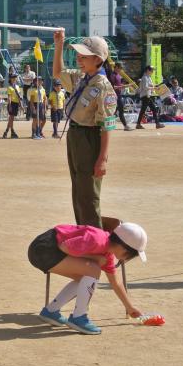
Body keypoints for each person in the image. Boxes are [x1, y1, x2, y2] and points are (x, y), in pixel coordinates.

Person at [28, 222, 148, 335]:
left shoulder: (107, 254)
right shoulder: (97, 239)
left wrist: (129, 307)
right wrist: (94, 258)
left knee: (85, 277)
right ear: (124, 248)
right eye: (131, 255)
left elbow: (115, 281)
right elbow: (64, 246)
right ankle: (78, 317)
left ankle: (51, 311)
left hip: (47, 251)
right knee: (93, 270)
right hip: (43, 248)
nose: (128, 259)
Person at [53, 31, 117, 229]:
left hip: (90, 138)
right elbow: (57, 73)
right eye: (79, 55)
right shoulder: (83, 78)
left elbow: (107, 125)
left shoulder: (103, 86)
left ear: (97, 59)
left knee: (89, 194)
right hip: (75, 135)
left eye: (84, 56)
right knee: (79, 191)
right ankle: (84, 232)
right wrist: (59, 45)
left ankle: (95, 239)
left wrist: (102, 159)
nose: (79, 59)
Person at [107, 62, 131, 131]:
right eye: (120, 68)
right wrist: (123, 86)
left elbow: (118, 86)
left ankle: (125, 125)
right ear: (116, 67)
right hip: (114, 96)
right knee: (115, 111)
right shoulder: (112, 75)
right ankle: (125, 126)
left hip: (118, 95)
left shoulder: (118, 75)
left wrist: (123, 86)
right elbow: (112, 87)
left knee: (119, 111)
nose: (121, 69)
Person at [3, 73, 22, 139]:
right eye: (13, 78)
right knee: (11, 118)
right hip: (12, 103)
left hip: (16, 103)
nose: (14, 79)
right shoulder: (9, 87)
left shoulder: (17, 87)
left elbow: (19, 96)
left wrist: (21, 104)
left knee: (11, 119)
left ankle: (8, 132)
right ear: (10, 79)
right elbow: (9, 97)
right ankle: (10, 131)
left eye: (15, 78)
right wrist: (10, 105)